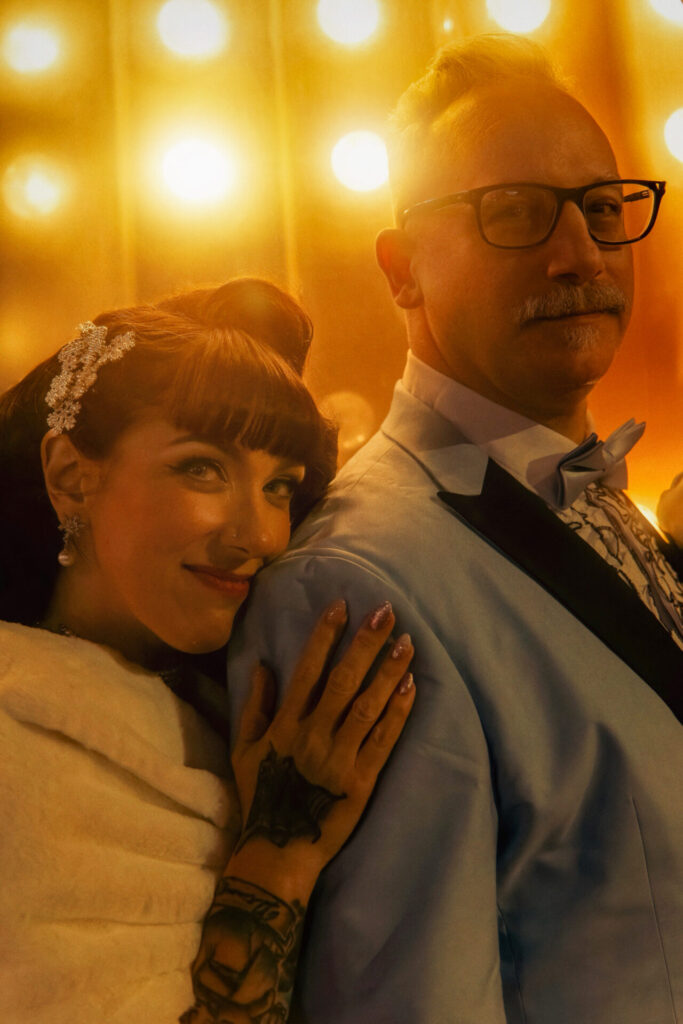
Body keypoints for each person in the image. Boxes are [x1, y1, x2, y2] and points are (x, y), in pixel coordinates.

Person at [226, 36, 683, 1024]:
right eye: (514, 212)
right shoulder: (357, 581)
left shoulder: (609, 502)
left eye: (602, 209)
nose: (579, 253)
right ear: (402, 269)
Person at [0, 278, 416, 1024]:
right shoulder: (16, 736)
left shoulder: (235, 709)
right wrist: (279, 860)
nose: (258, 535)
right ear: (70, 477)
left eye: (280, 485)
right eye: (202, 468)